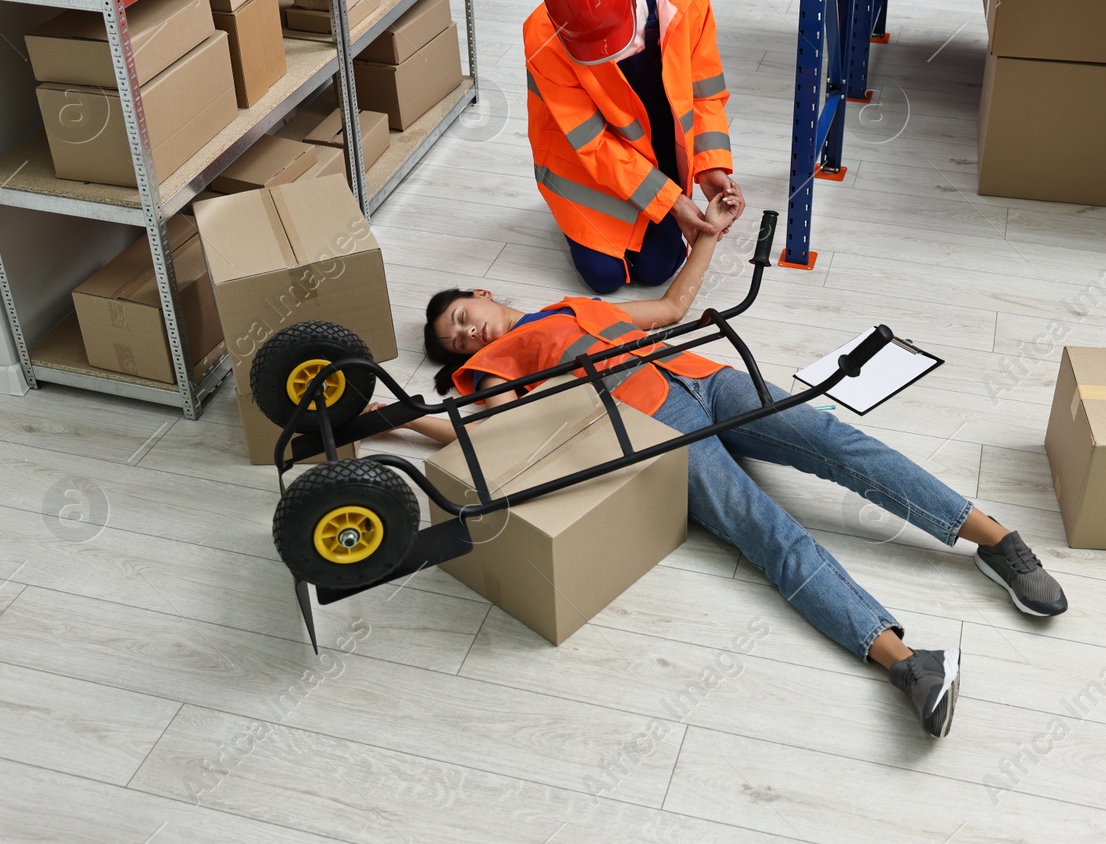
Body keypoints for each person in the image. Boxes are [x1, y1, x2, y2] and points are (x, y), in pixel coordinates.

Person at [388, 194, 1069, 739]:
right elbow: (474, 431)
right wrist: (388, 414)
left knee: (833, 440)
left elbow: (675, 309)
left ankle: (992, 538)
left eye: (461, 315)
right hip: (661, 433)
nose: (468, 332)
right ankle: (907, 663)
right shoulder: (492, 369)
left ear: (478, 291)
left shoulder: (571, 308)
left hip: (709, 378)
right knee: (765, 531)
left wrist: (710, 233)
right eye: (456, 341)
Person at [525, 0, 741, 294]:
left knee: (659, 268)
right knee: (604, 278)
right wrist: (669, 201)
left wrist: (711, 166)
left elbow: (705, 95)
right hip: (587, 170)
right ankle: (570, 222)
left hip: (654, 148)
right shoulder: (543, 37)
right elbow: (591, 143)